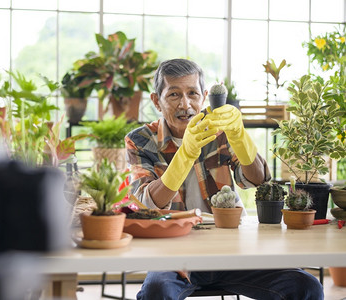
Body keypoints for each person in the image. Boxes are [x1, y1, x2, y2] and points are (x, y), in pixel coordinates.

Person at [125, 58, 323, 300]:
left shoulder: (220, 131)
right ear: (157, 101)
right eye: (174, 94)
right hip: (174, 254)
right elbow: (146, 202)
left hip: (230, 250)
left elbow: (258, 180)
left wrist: (239, 137)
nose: (185, 104)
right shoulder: (140, 139)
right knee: (157, 291)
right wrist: (185, 155)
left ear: (204, 96)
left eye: (192, 93)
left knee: (305, 286)